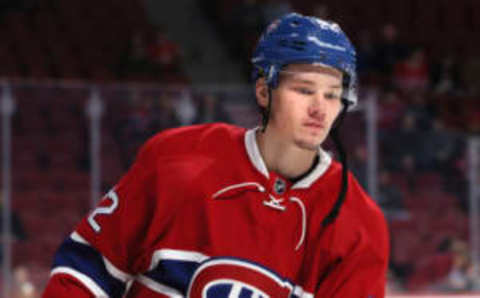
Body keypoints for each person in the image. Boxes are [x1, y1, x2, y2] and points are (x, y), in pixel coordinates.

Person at [42, 13, 389, 297]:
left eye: (332, 95)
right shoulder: (178, 160)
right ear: (264, 91)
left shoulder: (357, 225)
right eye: (303, 90)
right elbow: (85, 272)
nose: (319, 108)